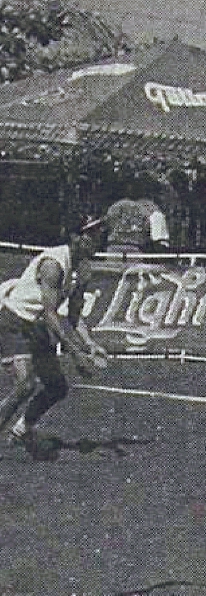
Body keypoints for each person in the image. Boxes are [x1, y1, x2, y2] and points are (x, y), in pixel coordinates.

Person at [0, 216, 112, 450]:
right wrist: (75, 353)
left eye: (98, 234)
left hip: (37, 326)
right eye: (90, 234)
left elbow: (74, 314)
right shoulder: (54, 264)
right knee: (25, 385)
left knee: (56, 387)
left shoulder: (84, 269)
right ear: (74, 237)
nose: (97, 239)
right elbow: (51, 314)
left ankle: (21, 431)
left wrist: (90, 344)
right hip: (15, 322)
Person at [104, 178, 169, 255]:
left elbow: (107, 223)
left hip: (122, 246)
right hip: (130, 246)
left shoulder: (151, 208)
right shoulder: (117, 206)